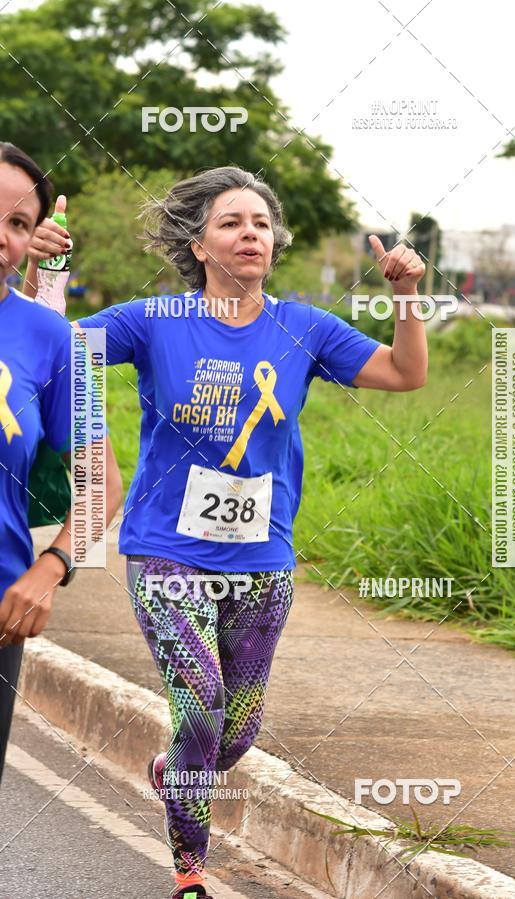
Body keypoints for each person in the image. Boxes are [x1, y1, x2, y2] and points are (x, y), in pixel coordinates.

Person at [65, 165, 427, 899]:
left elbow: (404, 373)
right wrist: (49, 270)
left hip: (263, 556)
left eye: (260, 223)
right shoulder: (153, 320)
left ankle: (176, 774)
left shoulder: (304, 328)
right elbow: (58, 350)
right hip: (167, 548)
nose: (250, 234)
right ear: (199, 244)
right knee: (198, 708)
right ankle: (191, 871)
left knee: (234, 736)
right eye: (231, 223)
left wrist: (408, 299)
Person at [0, 142, 123, 783]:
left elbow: (101, 480)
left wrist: (52, 568)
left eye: (18, 223)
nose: (2, 236)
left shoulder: (52, 341)